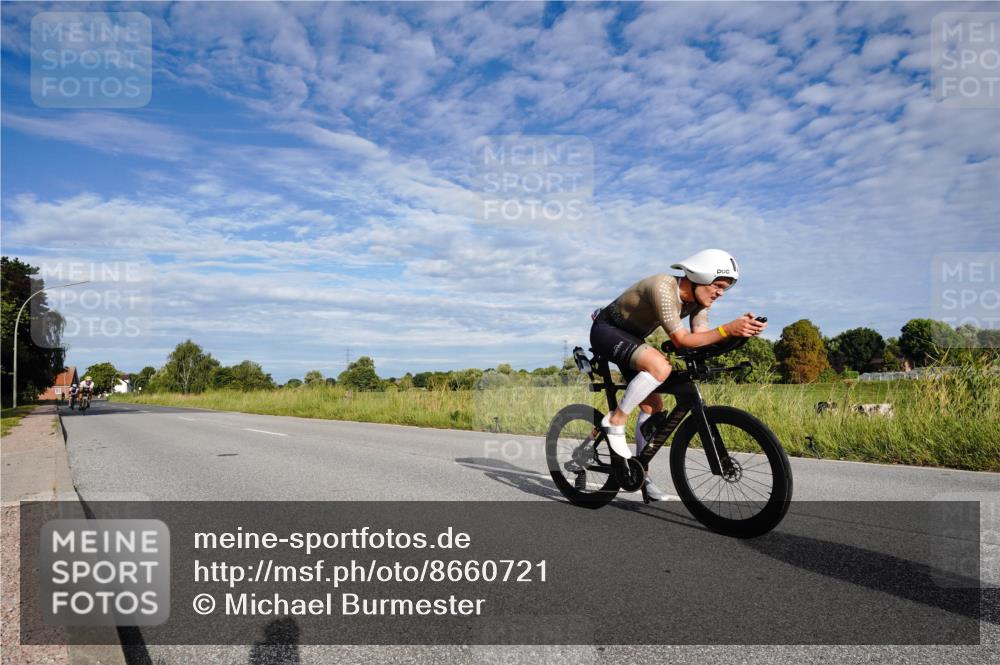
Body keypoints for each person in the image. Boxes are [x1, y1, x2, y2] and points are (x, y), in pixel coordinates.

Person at [589, 249, 767, 500]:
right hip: (606, 331)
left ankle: (642, 477)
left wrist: (740, 334)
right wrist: (728, 329)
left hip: (632, 338)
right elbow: (682, 339)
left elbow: (700, 339)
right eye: (717, 286)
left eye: (724, 289)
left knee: (653, 407)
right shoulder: (663, 287)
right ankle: (615, 420)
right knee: (661, 366)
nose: (719, 293)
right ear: (699, 278)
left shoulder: (699, 302)